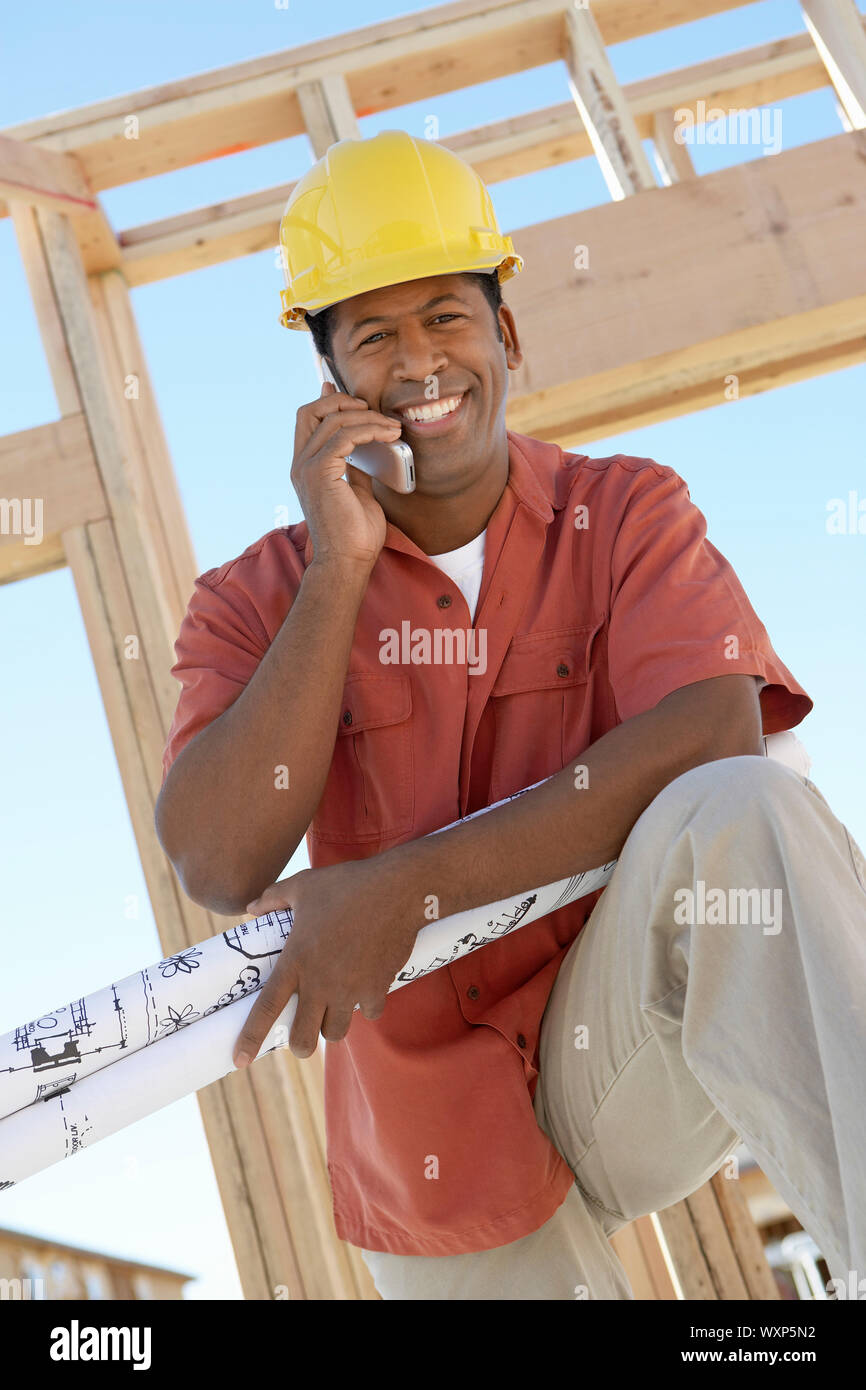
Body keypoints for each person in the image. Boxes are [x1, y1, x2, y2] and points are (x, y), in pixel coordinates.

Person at [155, 130, 866, 1300]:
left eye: (445, 315)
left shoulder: (624, 512)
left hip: (631, 1037)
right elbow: (218, 858)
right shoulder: (255, 599)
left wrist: (404, 887)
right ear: (328, 388)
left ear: (506, 337)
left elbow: (708, 734)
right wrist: (338, 572)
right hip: (433, 1150)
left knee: (750, 806)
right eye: (373, 336)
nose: (420, 361)